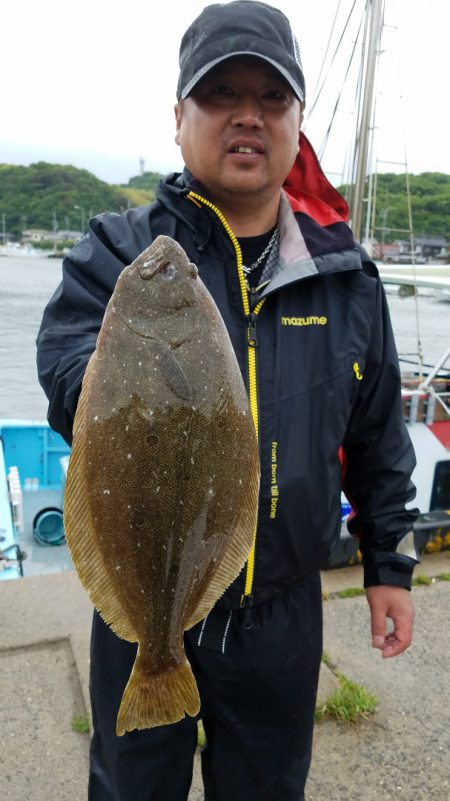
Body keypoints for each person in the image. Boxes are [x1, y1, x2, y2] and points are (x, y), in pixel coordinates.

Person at [37, 2, 420, 799]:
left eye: (271, 98)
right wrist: (117, 376)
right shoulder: (118, 252)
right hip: (139, 598)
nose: (247, 116)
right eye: (219, 95)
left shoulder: (346, 274)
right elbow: (66, 367)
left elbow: (380, 432)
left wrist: (390, 563)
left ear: (297, 120)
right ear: (180, 117)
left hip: (281, 611)